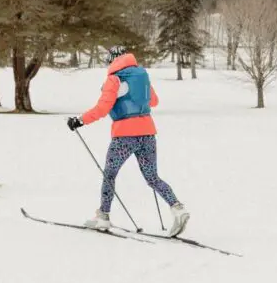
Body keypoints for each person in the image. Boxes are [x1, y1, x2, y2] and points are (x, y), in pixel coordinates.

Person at [66, 46, 190, 237]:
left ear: (112, 60)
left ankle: (103, 216)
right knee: (152, 177)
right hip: (148, 134)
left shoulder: (114, 79)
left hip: (124, 136)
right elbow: (153, 101)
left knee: (109, 174)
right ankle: (178, 208)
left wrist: (79, 120)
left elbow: (102, 109)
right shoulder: (142, 76)